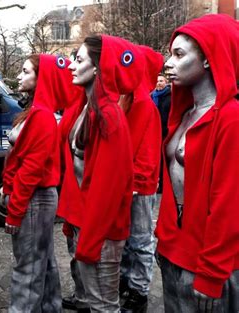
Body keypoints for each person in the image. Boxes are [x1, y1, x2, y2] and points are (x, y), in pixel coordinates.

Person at [156, 14, 239, 313]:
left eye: (179, 54)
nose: (168, 62)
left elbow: (228, 203)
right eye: (170, 53)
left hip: (207, 264)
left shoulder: (231, 118)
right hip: (174, 254)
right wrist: (163, 240)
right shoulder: (184, 114)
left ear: (208, 59)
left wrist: (211, 272)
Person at [58, 35, 144, 312]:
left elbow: (109, 187)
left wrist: (91, 240)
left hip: (102, 234)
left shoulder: (109, 115)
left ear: (98, 68)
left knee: (104, 306)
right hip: (89, 227)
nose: (71, 65)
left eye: (79, 60)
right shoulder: (89, 108)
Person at [3, 54, 83, 312]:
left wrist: (14, 212)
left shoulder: (42, 116)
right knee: (42, 261)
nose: (19, 76)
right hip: (37, 198)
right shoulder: (37, 113)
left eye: (25, 72)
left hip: (34, 199)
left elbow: (31, 169)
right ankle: (50, 307)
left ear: (41, 79)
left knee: (27, 268)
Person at [118, 46, 163, 313]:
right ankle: (127, 282)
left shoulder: (145, 105)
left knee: (141, 240)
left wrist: (136, 183)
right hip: (128, 185)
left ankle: (139, 292)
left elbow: (147, 150)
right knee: (127, 238)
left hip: (140, 188)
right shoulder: (128, 101)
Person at [151, 74, 171, 194]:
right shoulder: (152, 96)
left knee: (163, 160)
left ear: (166, 82)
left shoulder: (169, 97)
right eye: (157, 81)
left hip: (164, 133)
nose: (159, 83)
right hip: (154, 133)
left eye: (161, 81)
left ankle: (163, 185)